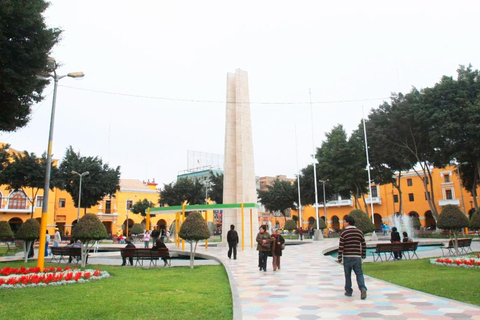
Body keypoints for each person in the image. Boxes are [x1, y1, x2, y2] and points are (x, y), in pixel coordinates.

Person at [337, 215, 367, 300]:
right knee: (359, 273)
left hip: (347, 256)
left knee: (348, 275)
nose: (343, 223)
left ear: (347, 223)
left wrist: (339, 256)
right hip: (357, 256)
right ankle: (362, 288)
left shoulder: (344, 233)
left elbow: (341, 246)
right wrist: (363, 254)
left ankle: (348, 291)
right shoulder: (359, 232)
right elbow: (363, 244)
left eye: (344, 222)